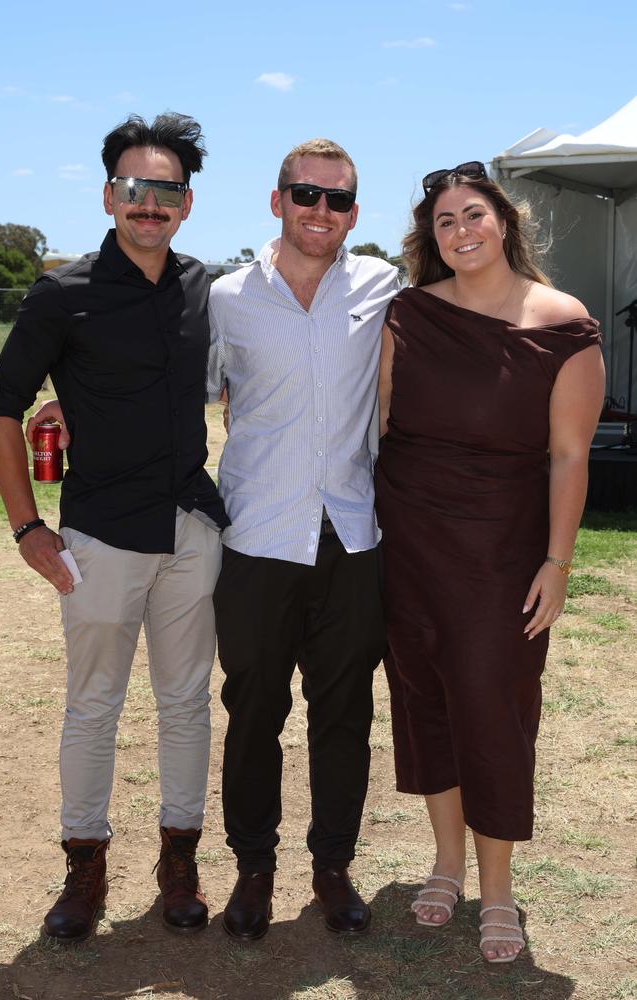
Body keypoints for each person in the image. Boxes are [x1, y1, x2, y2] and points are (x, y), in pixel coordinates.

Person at [0, 113, 229, 943]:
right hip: (97, 535)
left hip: (191, 528)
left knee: (187, 705)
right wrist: (26, 527)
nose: (149, 203)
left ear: (187, 204)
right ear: (109, 195)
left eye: (165, 190)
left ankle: (180, 864)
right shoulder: (64, 292)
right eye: (134, 188)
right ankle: (83, 869)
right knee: (93, 707)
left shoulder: (206, 287)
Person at [376, 161, 605, 962]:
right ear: (430, 237)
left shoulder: (562, 320)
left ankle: (498, 890)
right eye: (444, 221)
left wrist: (558, 561)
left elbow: (570, 457)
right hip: (406, 541)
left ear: (504, 221)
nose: (461, 230)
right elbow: (372, 423)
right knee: (424, 699)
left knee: (495, 709)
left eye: (473, 214)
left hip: (504, 553)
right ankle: (444, 864)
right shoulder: (406, 314)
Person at [208, 138, 399, 939]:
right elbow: (173, 381)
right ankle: (253, 869)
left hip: (353, 536)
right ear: (277, 199)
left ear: (355, 212)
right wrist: (74, 405)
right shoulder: (224, 297)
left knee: (345, 711)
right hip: (256, 535)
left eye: (339, 200)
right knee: (253, 709)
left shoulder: (385, 287)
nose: (322, 211)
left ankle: (333, 867)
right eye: (306, 194)